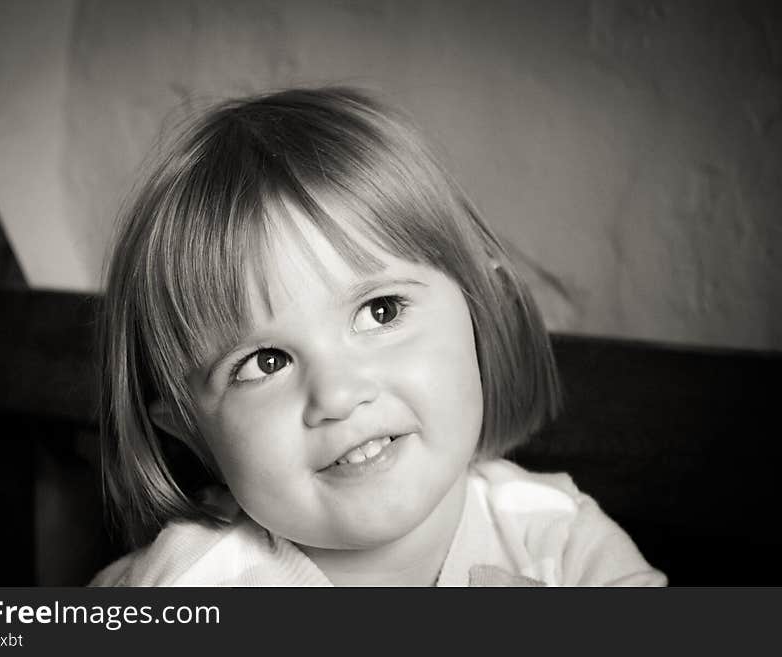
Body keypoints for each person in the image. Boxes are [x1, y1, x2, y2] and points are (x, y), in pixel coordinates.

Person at [91, 87, 665, 586]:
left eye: (382, 311)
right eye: (266, 362)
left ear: (479, 307)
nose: (338, 396)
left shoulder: (559, 538)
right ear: (191, 429)